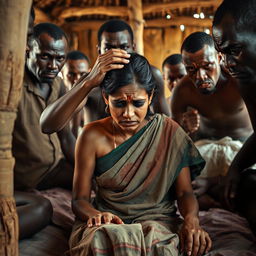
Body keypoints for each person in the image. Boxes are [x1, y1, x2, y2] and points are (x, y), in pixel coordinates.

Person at [67, 53, 211, 256]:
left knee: (161, 245)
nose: (128, 113)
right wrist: (97, 215)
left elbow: (185, 193)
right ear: (105, 98)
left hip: (158, 221)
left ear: (151, 97)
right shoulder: (91, 135)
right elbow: (79, 200)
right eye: (119, 103)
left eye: (137, 103)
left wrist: (192, 220)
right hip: (109, 222)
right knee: (101, 240)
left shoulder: (168, 131)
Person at [40, 19, 170, 134]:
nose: (117, 54)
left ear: (133, 48)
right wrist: (88, 82)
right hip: (98, 156)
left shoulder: (151, 75)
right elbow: (48, 126)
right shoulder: (90, 81)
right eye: (109, 49)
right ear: (99, 51)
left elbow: (167, 126)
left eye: (124, 47)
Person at [171, 31, 253, 210]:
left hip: (244, 151)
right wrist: (185, 129)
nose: (200, 76)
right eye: (191, 69)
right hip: (206, 152)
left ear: (219, 57)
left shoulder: (240, 81)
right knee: (176, 183)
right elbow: (173, 144)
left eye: (207, 65)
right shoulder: (182, 90)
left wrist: (213, 180)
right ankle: (216, 193)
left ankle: (214, 190)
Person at [13, 22, 75, 191]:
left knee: (95, 182)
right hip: (27, 178)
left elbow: (66, 137)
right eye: (45, 57)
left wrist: (89, 170)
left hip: (55, 168)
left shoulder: (58, 84)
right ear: (28, 51)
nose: (53, 66)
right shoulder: (13, 86)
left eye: (60, 58)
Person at [212, 0, 256, 232]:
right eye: (222, 53)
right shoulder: (246, 80)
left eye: (235, 50)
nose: (227, 63)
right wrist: (234, 170)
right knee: (243, 185)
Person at [62, 50, 90, 137]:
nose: (77, 80)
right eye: (71, 74)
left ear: (90, 73)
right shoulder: (56, 102)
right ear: (62, 74)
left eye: (82, 74)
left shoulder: (96, 100)